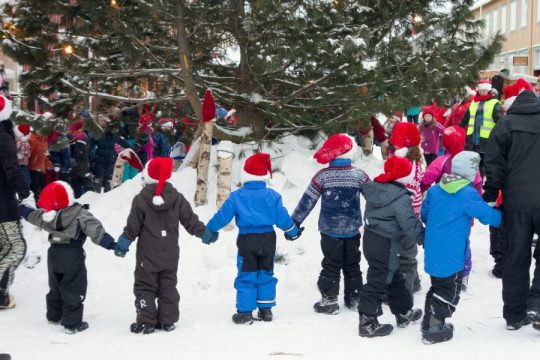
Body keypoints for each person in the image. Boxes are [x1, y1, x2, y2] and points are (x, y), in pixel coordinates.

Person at [114, 157, 214, 334]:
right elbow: (190, 220)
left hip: (148, 255)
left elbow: (133, 227)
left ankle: (146, 321)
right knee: (168, 285)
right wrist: (204, 234)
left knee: (145, 286)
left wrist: (122, 245)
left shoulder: (141, 199)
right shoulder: (176, 197)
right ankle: (167, 321)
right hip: (170, 253)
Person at [205, 153, 301, 325]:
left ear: (245, 175)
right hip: (268, 239)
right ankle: (266, 310)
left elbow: (223, 216)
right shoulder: (272, 196)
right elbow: (282, 217)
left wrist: (210, 230)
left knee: (247, 273)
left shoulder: (237, 196)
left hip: (247, 240)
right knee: (266, 271)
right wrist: (292, 231)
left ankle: (245, 311)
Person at [420, 151, 502, 344]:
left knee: (437, 285)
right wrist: (503, 218)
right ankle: (434, 329)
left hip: (433, 247)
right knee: (447, 290)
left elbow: (424, 214)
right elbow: (486, 215)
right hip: (452, 251)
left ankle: (428, 321)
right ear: (472, 172)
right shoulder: (467, 193)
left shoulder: (435, 190)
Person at [18, 181, 117, 333]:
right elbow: (95, 230)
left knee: (55, 286)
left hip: (53, 255)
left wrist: (21, 209)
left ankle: (53, 315)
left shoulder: (46, 216)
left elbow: (32, 216)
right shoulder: (80, 214)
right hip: (72, 254)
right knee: (73, 287)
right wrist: (111, 244)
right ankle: (72, 324)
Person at [483, 79, 540, 331]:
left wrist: (491, 192)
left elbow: (494, 163)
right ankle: (537, 303)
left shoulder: (505, 124)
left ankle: (514, 314)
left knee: (516, 255)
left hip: (516, 201)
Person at [291, 134, 369, 314]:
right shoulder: (359, 175)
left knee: (331, 264)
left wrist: (294, 223)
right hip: (352, 229)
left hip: (329, 231)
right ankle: (355, 297)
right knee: (352, 265)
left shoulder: (322, 176)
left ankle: (329, 300)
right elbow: (374, 198)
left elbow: (307, 201)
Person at [357, 156, 424, 337]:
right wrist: (425, 238)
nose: (411, 177)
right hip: (386, 242)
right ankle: (367, 321)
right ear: (402, 176)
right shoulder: (400, 198)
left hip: (372, 238)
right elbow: (409, 224)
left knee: (394, 276)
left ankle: (403, 312)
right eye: (408, 173)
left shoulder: (376, 189)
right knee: (378, 279)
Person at [420, 126, 482, 291]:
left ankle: (444, 271)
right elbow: (478, 185)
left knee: (442, 240)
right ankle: (463, 274)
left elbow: (427, 179)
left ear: (444, 142)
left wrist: (421, 188)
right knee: (463, 242)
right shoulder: (469, 163)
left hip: (441, 211)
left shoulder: (442, 160)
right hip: (464, 211)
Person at [0, 95, 31, 309]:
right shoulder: (2, 134)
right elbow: (11, 166)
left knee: (4, 245)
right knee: (17, 246)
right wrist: (24, 190)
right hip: (2, 202)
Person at [388, 122, 424, 294]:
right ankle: (414, 282)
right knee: (407, 250)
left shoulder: (405, 165)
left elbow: (402, 191)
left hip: (404, 215)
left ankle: (405, 292)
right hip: (411, 213)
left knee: (405, 255)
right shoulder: (414, 159)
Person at [459, 79, 504, 177]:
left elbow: (501, 122)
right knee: (473, 167)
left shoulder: (494, 103)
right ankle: (475, 186)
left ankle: (484, 187)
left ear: (489, 90)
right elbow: (465, 119)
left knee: (487, 167)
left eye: (484, 90)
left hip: (487, 141)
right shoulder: (473, 103)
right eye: (481, 90)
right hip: (472, 141)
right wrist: (457, 128)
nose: (482, 92)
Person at [68, 120, 94, 198]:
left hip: (80, 165)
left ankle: (90, 201)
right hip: (80, 165)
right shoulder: (78, 135)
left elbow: (78, 151)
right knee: (76, 186)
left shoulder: (81, 136)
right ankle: (79, 201)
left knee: (85, 185)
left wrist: (73, 158)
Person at [28, 128, 52, 199]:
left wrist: (48, 163)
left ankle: (41, 205)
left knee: (42, 189)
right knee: (35, 190)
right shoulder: (32, 140)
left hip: (41, 171)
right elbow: (28, 156)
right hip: (32, 170)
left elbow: (45, 155)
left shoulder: (44, 141)